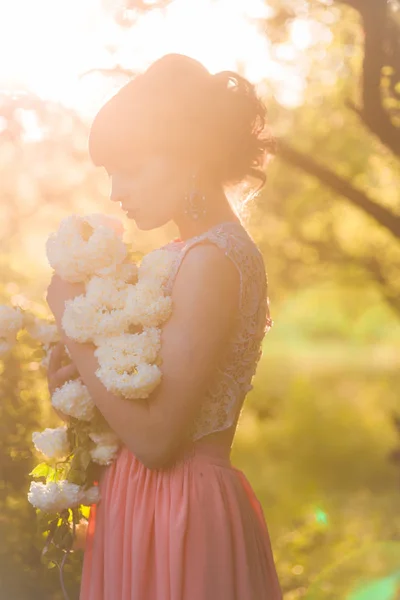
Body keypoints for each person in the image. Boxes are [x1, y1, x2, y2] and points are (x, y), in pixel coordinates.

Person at [46, 53, 282, 600]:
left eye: (129, 167)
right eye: (109, 172)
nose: (114, 190)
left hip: (179, 510)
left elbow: (157, 439)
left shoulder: (211, 262)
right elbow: (140, 419)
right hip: (143, 504)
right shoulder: (181, 256)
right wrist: (73, 391)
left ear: (188, 156)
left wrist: (75, 323)